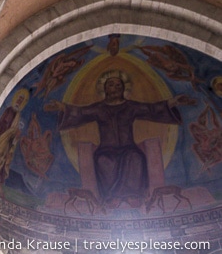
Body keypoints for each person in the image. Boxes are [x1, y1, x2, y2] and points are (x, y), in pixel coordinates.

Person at [44, 70, 194, 208]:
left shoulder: (131, 106)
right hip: (106, 149)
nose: (114, 88)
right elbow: (81, 113)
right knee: (103, 161)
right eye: (110, 85)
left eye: (118, 85)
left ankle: (132, 195)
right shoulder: (98, 108)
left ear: (123, 88)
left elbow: (151, 109)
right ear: (104, 89)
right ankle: (110, 197)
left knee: (135, 158)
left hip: (129, 147)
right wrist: (63, 108)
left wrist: (172, 102)